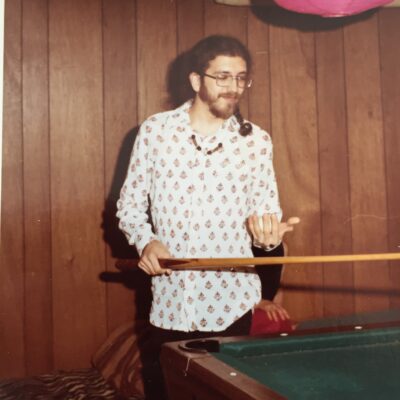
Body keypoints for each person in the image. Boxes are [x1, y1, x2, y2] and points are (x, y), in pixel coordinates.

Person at [116, 34, 299, 398]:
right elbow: (130, 207)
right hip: (170, 303)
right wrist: (147, 241)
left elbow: (265, 213)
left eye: (241, 78)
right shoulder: (155, 132)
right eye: (223, 77)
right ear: (197, 80)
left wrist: (268, 238)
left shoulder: (256, 141)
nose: (233, 88)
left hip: (233, 306)